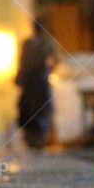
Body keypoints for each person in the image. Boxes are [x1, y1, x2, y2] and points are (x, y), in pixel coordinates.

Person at [16, 20, 57, 149]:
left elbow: (21, 61)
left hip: (33, 81)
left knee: (35, 110)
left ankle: (36, 138)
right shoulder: (46, 43)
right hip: (36, 81)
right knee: (35, 110)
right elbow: (56, 60)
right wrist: (49, 71)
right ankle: (34, 138)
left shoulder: (31, 43)